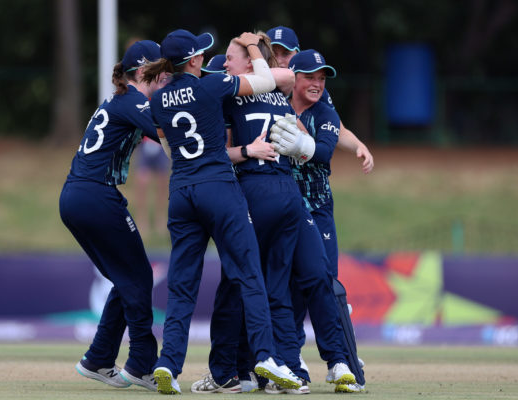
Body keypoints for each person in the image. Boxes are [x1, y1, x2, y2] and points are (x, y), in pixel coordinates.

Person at [191, 33, 357, 395]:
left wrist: (252, 151)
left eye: (230, 58)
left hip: (256, 194)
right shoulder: (274, 89)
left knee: (242, 283)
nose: (224, 65)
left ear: (250, 63)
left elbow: (214, 153)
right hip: (288, 197)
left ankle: (233, 372)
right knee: (277, 286)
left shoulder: (243, 88)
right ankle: (284, 369)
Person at [142, 28, 303, 395]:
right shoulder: (212, 87)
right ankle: (264, 355)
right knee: (249, 273)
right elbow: (265, 80)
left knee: (181, 286)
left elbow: (169, 150)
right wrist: (251, 46)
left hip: (181, 193)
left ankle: (168, 363)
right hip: (220, 190)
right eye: (201, 53)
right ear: (196, 61)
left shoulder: (158, 100)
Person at [59, 40, 170, 391]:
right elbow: (171, 135)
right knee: (138, 276)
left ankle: (99, 357)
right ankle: (141, 363)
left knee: (126, 279)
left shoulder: (121, 100)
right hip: (96, 195)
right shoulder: (136, 101)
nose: (166, 77)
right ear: (142, 73)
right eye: (160, 72)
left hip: (76, 195)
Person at [270, 49, 374, 393]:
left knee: (325, 283)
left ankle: (341, 362)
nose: (317, 83)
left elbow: (326, 151)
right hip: (284, 209)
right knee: (286, 288)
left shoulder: (324, 110)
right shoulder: (274, 101)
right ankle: (292, 362)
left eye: (321, 78)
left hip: (316, 209)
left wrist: (300, 144)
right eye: (310, 77)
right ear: (293, 78)